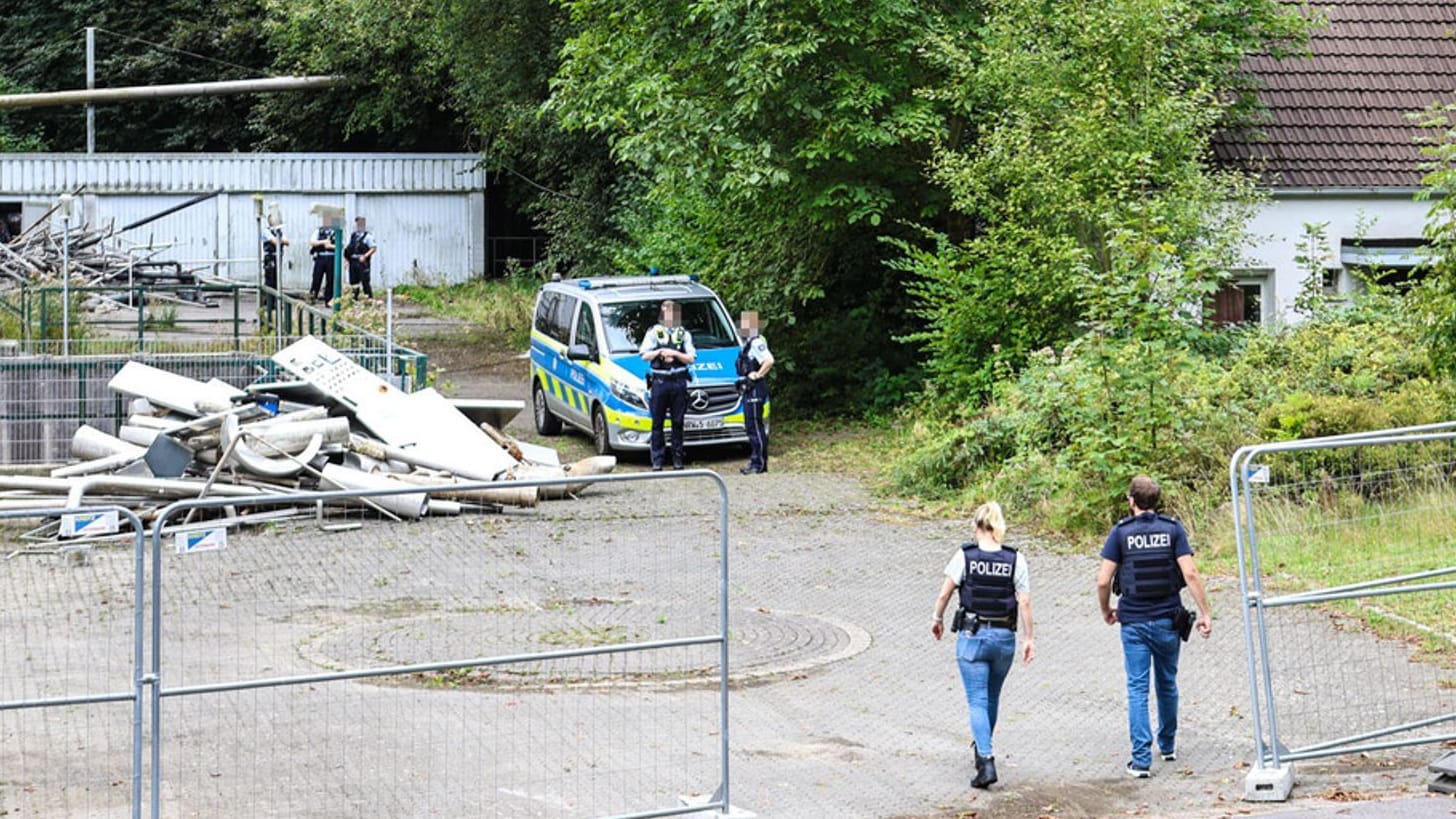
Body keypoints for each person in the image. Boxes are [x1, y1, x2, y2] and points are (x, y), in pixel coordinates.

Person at [1096, 475, 1213, 778]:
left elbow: (1103, 580)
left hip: (1133, 620)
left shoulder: (1120, 534)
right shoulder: (1173, 529)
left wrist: (1106, 609)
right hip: (1167, 619)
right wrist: (1205, 613)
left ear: (1131, 500)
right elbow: (1190, 573)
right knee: (1167, 683)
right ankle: (1168, 745)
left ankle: (1141, 761)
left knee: (1137, 688)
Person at [931, 501, 1035, 790]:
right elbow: (1024, 601)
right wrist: (1029, 638)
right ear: (999, 527)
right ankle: (982, 752)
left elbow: (945, 593)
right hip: (1004, 638)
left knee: (977, 700)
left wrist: (936, 619)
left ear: (976, 526)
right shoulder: (1016, 559)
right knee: (991, 698)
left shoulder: (965, 556)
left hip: (973, 638)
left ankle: (986, 760)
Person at [639, 299, 696, 471]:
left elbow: (691, 358)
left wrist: (676, 354)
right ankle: (657, 461)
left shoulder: (684, 334)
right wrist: (660, 352)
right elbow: (644, 355)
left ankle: (678, 460)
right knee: (657, 423)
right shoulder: (653, 333)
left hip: (678, 383)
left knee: (678, 423)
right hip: (660, 382)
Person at [735, 310, 773, 475]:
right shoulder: (747, 343)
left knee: (756, 426)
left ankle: (760, 463)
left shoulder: (757, 343)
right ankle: (755, 460)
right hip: (749, 388)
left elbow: (769, 360)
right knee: (750, 426)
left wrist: (757, 375)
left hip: (756, 388)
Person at [344, 216, 377, 299]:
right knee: (353, 283)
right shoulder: (353, 236)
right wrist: (347, 261)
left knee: (365, 282)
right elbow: (349, 249)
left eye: (360, 224)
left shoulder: (368, 236)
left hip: (362, 262)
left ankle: (369, 300)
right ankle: (354, 299)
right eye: (357, 224)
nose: (359, 226)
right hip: (353, 261)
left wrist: (365, 256)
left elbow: (373, 248)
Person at [260, 222, 289, 316]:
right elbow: (275, 242)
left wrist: (281, 240)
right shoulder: (266, 231)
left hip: (278, 257)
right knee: (269, 280)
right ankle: (268, 302)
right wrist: (281, 241)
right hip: (269, 257)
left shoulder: (279, 232)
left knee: (277, 280)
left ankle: (276, 303)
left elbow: (287, 242)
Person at [307, 219, 337, 304]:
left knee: (330, 280)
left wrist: (330, 246)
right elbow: (312, 242)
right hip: (320, 257)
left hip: (331, 258)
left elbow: (340, 245)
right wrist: (323, 242)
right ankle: (312, 297)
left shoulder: (336, 231)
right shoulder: (319, 231)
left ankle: (329, 300)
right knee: (316, 278)